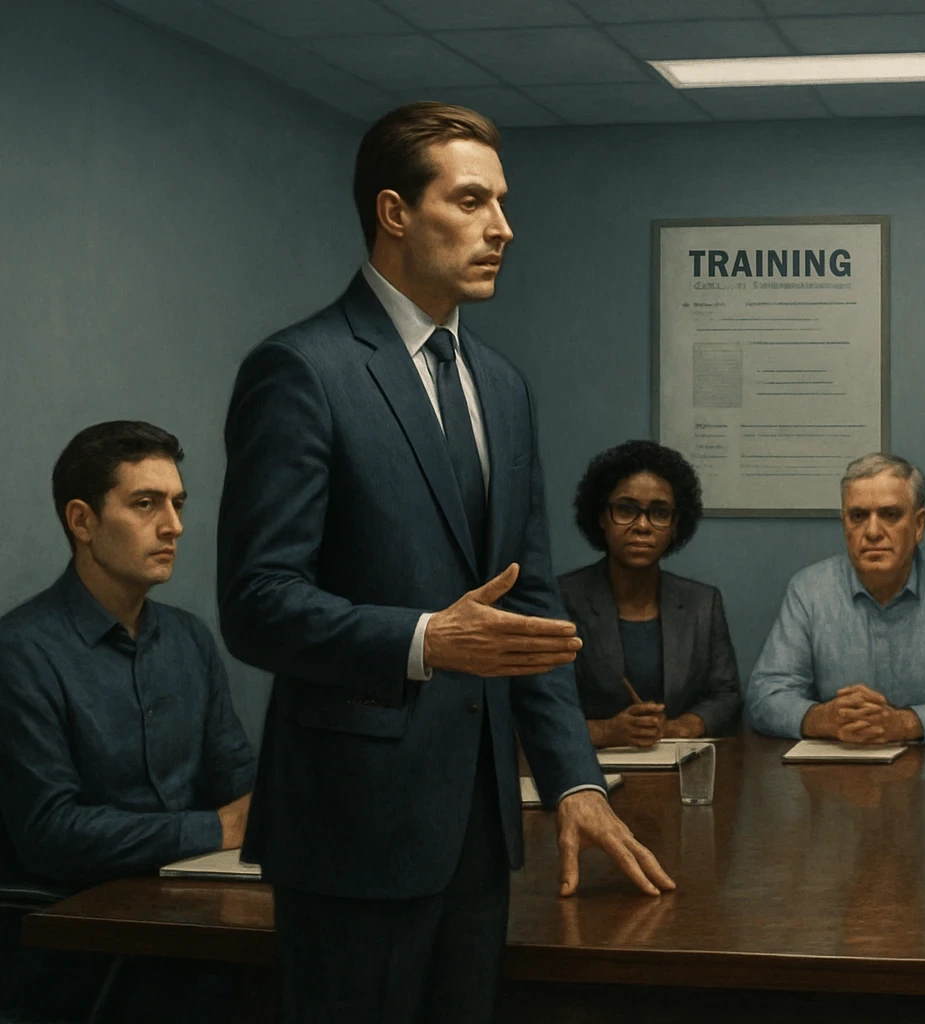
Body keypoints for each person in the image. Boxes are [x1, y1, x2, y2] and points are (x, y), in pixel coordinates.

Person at [217, 102, 672, 1024]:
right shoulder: (302, 370)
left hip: (477, 825)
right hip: (353, 827)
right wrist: (427, 639)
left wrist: (577, 781)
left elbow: (531, 610)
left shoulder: (500, 386)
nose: (503, 227)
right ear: (395, 213)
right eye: (471, 201)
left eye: (500, 203)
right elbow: (257, 603)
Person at [0, 421, 255, 1019]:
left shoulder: (189, 639)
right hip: (79, 944)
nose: (174, 526)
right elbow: (52, 832)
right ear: (83, 521)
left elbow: (237, 775)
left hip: (193, 922)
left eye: (177, 503)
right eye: (146, 504)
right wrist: (217, 830)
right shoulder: (20, 653)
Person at [747, 453, 925, 746]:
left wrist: (905, 723)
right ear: (844, 524)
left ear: (919, 525)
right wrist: (823, 719)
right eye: (858, 516)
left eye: (890, 515)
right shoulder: (808, 590)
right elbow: (765, 695)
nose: (872, 532)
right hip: (836, 772)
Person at [560, 440, 741, 748]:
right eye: (626, 509)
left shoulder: (702, 603)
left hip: (679, 767)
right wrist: (605, 732)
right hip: (590, 770)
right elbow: (535, 707)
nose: (642, 526)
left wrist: (681, 727)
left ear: (674, 526)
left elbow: (728, 697)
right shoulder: (562, 599)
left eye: (659, 513)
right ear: (602, 516)